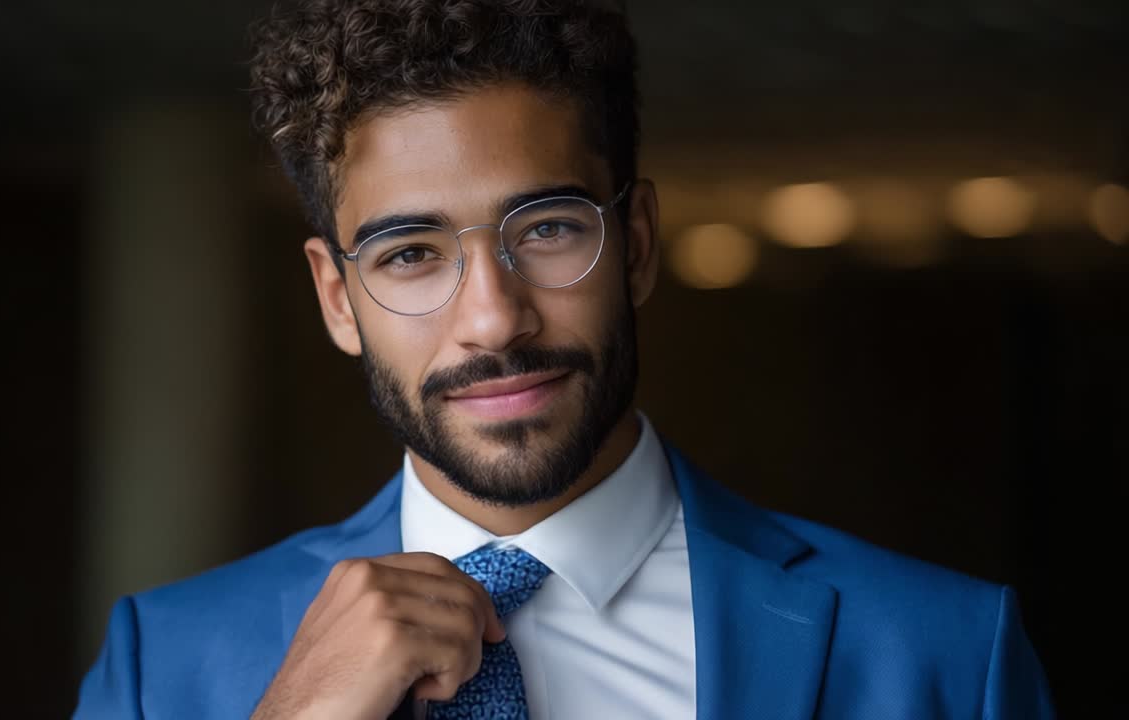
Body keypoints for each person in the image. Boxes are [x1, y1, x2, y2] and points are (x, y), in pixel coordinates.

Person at [75, 1, 1055, 717]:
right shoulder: (163, 666)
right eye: (410, 255)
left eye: (544, 230)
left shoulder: (938, 655)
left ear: (633, 244)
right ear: (338, 298)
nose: (492, 322)